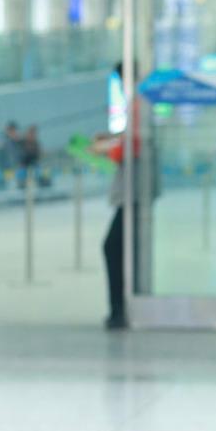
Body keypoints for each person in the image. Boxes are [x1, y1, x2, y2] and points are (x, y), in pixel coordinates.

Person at [93, 62, 142, 330]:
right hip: (135, 191)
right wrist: (114, 139)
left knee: (113, 247)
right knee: (122, 249)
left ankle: (119, 310)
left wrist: (107, 149)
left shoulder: (138, 104)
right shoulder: (140, 104)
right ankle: (122, 307)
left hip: (133, 192)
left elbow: (131, 146)